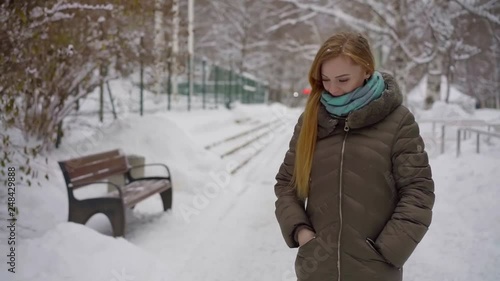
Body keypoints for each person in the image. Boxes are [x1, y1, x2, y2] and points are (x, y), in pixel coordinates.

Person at [274, 32, 435, 281]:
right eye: (325, 79)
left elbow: (418, 191)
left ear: (367, 71)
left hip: (375, 270)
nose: (332, 89)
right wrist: (301, 231)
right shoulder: (311, 121)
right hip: (317, 269)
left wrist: (388, 249)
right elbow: (287, 184)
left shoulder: (398, 121)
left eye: (343, 79)